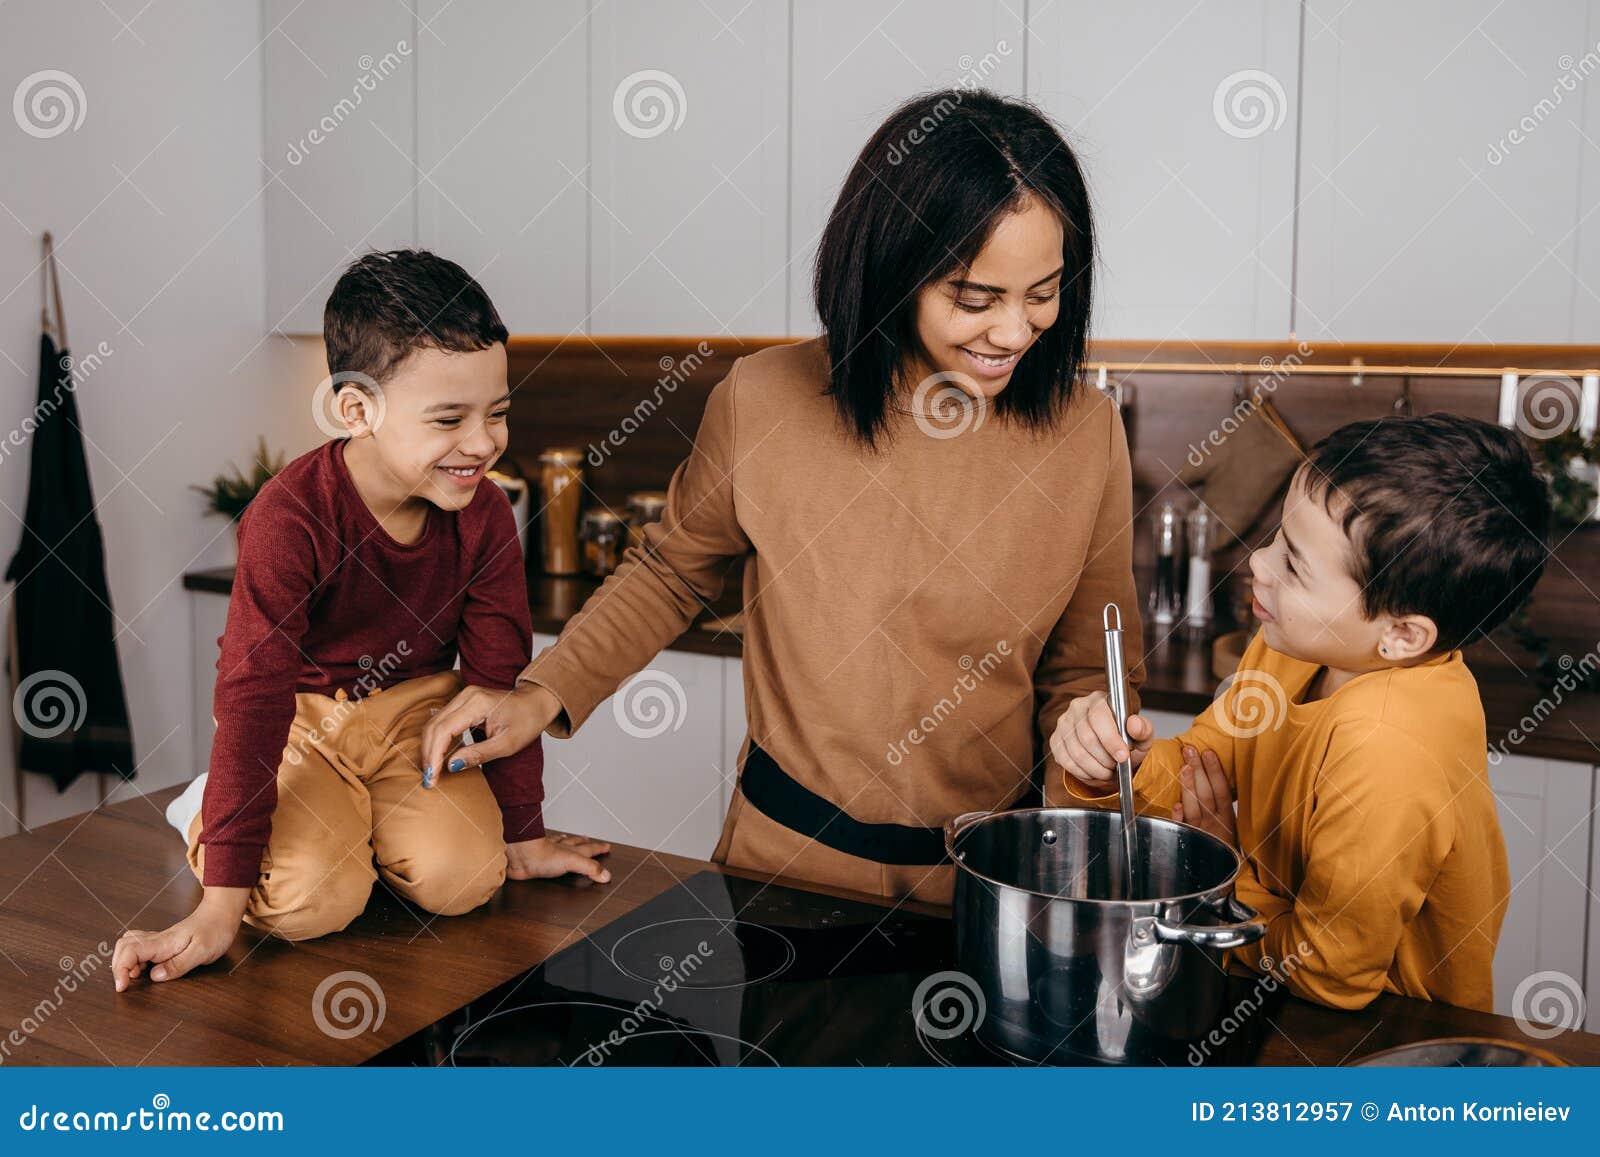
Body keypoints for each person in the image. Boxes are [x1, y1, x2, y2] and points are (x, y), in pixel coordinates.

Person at [419, 89, 1145, 905]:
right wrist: (541, 691)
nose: (1013, 332)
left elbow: (1087, 665)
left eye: (1042, 294)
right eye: (974, 300)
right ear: (890, 268)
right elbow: (670, 574)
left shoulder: (1085, 433)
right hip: (786, 871)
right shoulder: (764, 400)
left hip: (992, 885)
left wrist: (1088, 730)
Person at [112, 250, 609, 992]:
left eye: (497, 412)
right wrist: (219, 909)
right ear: (356, 409)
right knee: (311, 900)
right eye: (449, 418)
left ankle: (359, 825)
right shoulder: (290, 518)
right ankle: (207, 815)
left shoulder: (486, 515)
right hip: (304, 721)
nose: (482, 443)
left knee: (467, 876)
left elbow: (499, 680)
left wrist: (525, 834)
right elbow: (252, 696)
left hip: (419, 717)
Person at [1052, 413, 1551, 1012]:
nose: (1257, 564)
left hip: (1388, 1038)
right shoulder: (1293, 643)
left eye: (1293, 565)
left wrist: (1222, 876)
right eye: (1277, 539)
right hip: (1267, 991)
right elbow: (1199, 769)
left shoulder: (1386, 744)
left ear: (1402, 634)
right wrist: (1118, 772)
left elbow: (1328, 970)